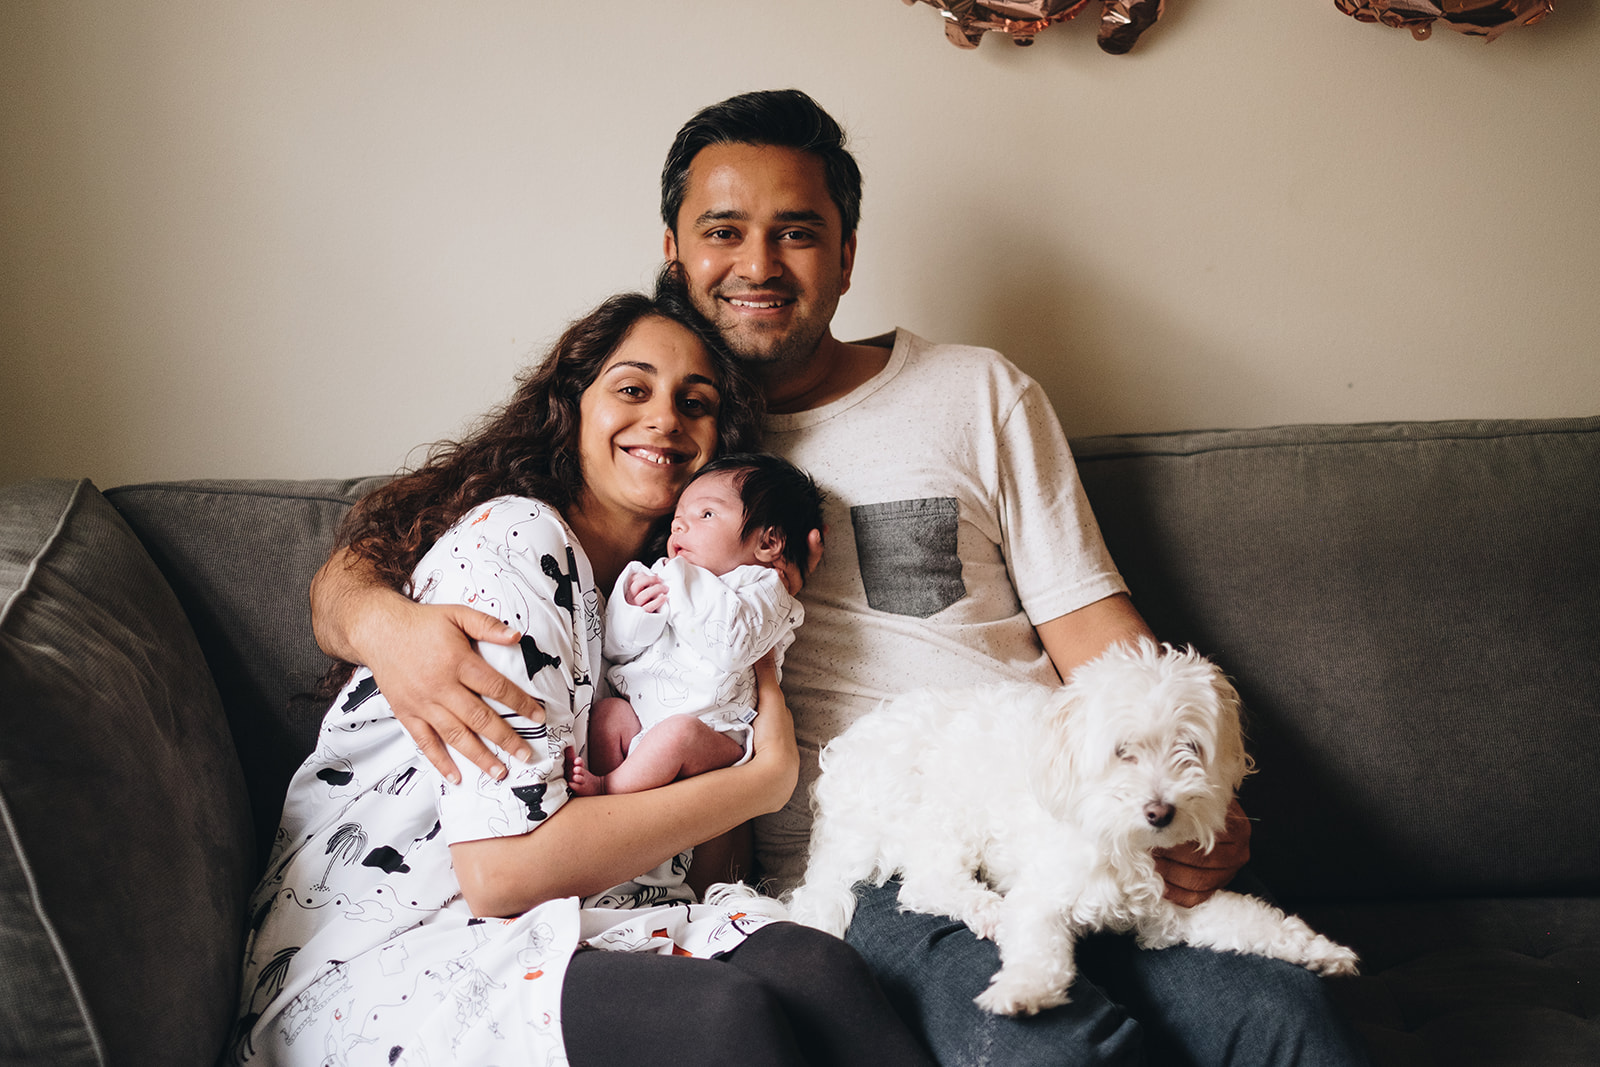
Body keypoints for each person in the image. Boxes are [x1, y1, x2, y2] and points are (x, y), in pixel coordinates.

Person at [309, 91, 1371, 1065]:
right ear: (673, 251)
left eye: (797, 231)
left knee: (1288, 1019)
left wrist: (1204, 798)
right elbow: (401, 543)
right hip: (883, 854)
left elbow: (1098, 630)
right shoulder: (655, 455)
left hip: (1065, 805)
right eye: (724, 231)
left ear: (847, 253)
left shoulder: (976, 391)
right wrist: (380, 623)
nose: (759, 262)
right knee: (1045, 1047)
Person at [233, 285, 933, 1066]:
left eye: (695, 403)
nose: (665, 418)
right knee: (719, 1016)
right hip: (401, 945)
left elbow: (703, 877)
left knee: (820, 972)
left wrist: (752, 671)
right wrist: (764, 780)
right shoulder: (521, 539)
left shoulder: (662, 609)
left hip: (585, 921)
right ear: (572, 409)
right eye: (632, 388)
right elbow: (501, 873)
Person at [570, 452, 824, 798]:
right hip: (642, 721)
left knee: (677, 735)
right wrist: (634, 610)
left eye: (706, 514)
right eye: (677, 518)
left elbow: (730, 647)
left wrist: (679, 578)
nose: (679, 526)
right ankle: (619, 792)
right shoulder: (665, 574)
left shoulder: (765, 590)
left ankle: (609, 788)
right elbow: (613, 651)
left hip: (713, 737)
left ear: (767, 542)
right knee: (608, 713)